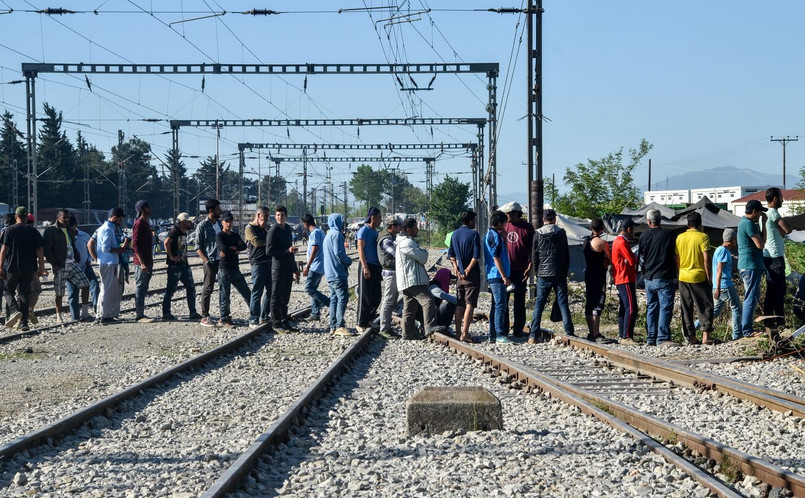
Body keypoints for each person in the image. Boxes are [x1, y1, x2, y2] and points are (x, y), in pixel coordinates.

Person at [528, 208, 574, 343]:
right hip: (559, 273)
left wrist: (537, 272)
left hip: (543, 273)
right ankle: (569, 332)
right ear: (554, 219)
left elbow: (534, 256)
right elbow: (566, 254)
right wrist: (564, 271)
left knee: (539, 304)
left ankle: (533, 335)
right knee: (563, 303)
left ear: (543, 219)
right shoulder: (561, 233)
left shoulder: (538, 233)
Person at [396, 217, 444, 340]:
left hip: (407, 281)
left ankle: (407, 333)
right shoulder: (407, 243)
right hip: (413, 280)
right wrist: (424, 252)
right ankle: (429, 326)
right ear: (408, 229)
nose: (417, 229)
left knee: (410, 308)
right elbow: (423, 258)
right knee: (428, 300)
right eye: (415, 227)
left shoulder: (403, 242)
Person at [0, 207, 46, 331]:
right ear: (26, 217)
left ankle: (14, 310)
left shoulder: (9, 230)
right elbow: (40, 251)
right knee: (24, 293)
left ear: (16, 216)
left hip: (13, 267)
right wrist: (42, 267)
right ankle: (24, 323)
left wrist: (0, 267)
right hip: (29, 268)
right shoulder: (33, 231)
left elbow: (4, 250)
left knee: (7, 290)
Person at [638, 209, 678, 346]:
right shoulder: (669, 234)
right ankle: (662, 337)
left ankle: (651, 338)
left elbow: (641, 256)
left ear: (648, 221)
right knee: (665, 307)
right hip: (664, 276)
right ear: (661, 220)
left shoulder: (643, 236)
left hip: (649, 277)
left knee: (651, 307)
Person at [43, 208, 89, 322]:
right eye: (64, 217)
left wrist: (77, 257)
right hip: (60, 265)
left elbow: (72, 244)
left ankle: (84, 312)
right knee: (60, 292)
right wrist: (54, 264)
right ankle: (59, 317)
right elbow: (47, 250)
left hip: (72, 263)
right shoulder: (51, 231)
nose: (67, 219)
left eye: (68, 217)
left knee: (85, 284)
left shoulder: (68, 229)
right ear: (58, 218)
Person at [676, 211, 713, 345]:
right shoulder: (703, 237)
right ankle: (705, 336)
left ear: (687, 224)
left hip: (683, 276)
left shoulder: (680, 237)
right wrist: (709, 278)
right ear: (700, 223)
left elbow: (677, 258)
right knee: (705, 306)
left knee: (686, 308)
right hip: (699, 276)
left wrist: (680, 271)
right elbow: (706, 260)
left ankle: (691, 337)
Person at [697, 228, 742, 340]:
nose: (736, 242)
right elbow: (719, 270)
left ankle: (693, 327)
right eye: (735, 239)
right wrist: (717, 287)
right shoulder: (723, 251)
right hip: (725, 285)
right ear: (731, 239)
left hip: (720, 285)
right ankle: (737, 335)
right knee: (737, 308)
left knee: (715, 312)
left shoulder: (719, 250)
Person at [500, 201, 534, 337]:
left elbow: (532, 248)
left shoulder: (527, 228)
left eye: (509, 213)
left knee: (519, 301)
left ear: (516, 213)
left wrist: (530, 266)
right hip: (506, 270)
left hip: (521, 270)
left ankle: (518, 329)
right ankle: (504, 329)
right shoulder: (503, 226)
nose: (507, 215)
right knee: (504, 301)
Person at [449, 210, 481, 343]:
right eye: (474, 220)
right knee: (470, 304)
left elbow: (451, 254)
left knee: (460, 303)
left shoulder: (454, 234)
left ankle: (457, 333)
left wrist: (456, 268)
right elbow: (476, 255)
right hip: (471, 274)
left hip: (459, 275)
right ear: (470, 221)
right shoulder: (474, 234)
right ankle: (465, 334)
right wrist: (468, 269)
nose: (475, 222)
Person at [267, 205, 300, 332]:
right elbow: (269, 251)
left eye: (282, 215)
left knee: (285, 297)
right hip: (278, 267)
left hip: (287, 267)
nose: (280, 217)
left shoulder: (287, 229)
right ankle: (276, 323)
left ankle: (284, 321)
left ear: (286, 216)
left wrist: (295, 268)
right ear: (275, 217)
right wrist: (287, 251)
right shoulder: (273, 230)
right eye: (278, 215)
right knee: (276, 296)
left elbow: (290, 250)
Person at [763, 187, 792, 335]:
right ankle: (781, 323)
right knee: (779, 291)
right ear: (775, 198)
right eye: (780, 196)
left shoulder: (765, 214)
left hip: (768, 256)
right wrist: (785, 227)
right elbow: (787, 230)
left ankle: (768, 322)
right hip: (775, 257)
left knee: (771, 290)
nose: (782, 199)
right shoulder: (774, 213)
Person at [737, 199, 767, 338]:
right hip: (751, 265)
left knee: (751, 296)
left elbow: (761, 241)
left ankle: (745, 328)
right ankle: (747, 330)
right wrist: (764, 225)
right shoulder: (749, 224)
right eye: (760, 213)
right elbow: (760, 245)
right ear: (754, 211)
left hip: (747, 265)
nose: (760, 215)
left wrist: (763, 225)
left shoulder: (743, 223)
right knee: (750, 297)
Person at [162, 213, 200, 321]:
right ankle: (166, 313)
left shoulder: (184, 232)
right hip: (175, 266)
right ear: (183, 222)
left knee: (191, 288)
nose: (191, 223)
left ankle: (193, 312)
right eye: (189, 221)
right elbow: (166, 242)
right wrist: (171, 257)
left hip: (184, 265)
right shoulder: (175, 231)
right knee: (170, 290)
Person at [216, 211, 251, 327]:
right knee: (225, 295)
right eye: (227, 221)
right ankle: (224, 318)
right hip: (224, 269)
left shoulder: (235, 235)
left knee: (246, 292)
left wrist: (233, 249)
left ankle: (256, 313)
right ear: (222, 223)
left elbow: (244, 245)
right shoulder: (220, 236)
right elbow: (223, 249)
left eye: (231, 221)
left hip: (235, 269)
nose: (229, 223)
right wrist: (234, 249)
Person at [95, 207, 129, 325]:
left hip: (105, 262)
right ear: (114, 218)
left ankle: (101, 314)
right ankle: (105, 315)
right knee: (108, 289)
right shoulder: (108, 229)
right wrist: (119, 249)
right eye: (119, 220)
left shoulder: (101, 228)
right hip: (109, 262)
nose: (120, 223)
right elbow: (105, 247)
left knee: (105, 288)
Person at [323, 213, 353, 336]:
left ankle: (333, 326)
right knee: (342, 298)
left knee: (334, 299)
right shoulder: (337, 235)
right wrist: (348, 261)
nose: (343, 223)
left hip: (329, 272)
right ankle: (340, 325)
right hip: (337, 272)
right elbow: (339, 253)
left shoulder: (328, 235)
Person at [485, 210, 512, 344]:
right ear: (500, 223)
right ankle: (500, 334)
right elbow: (496, 257)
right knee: (501, 305)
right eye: (505, 222)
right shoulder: (494, 236)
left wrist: (505, 239)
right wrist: (504, 275)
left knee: (496, 306)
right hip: (497, 275)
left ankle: (493, 334)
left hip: (494, 274)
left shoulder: (492, 234)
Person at [583, 218, 611, 342]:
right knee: (598, 303)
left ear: (591, 227)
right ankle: (596, 333)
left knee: (589, 303)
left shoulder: (585, 241)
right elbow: (610, 259)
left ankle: (591, 332)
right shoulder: (602, 243)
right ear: (602, 229)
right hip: (599, 274)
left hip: (588, 272)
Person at [196, 199, 222, 327]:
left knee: (223, 286)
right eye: (218, 209)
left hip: (221, 261)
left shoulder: (220, 224)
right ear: (211, 211)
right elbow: (197, 247)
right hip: (210, 262)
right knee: (208, 288)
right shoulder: (202, 226)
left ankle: (224, 315)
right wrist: (206, 260)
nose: (220, 211)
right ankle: (205, 315)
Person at [356, 207, 383, 333]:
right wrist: (365, 266)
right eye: (379, 217)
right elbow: (360, 249)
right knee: (365, 296)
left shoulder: (376, 232)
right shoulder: (364, 231)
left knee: (377, 296)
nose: (381, 220)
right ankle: (361, 322)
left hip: (376, 266)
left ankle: (369, 319)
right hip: (367, 265)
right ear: (373, 218)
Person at [612, 218, 638, 344]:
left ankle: (623, 334)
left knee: (624, 307)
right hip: (625, 277)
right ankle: (627, 336)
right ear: (628, 229)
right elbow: (632, 260)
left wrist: (630, 259)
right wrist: (631, 259)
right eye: (633, 229)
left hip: (621, 277)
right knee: (631, 307)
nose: (634, 232)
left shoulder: (617, 241)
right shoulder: (622, 242)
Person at [245, 206, 272, 326]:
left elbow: (273, 240)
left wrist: (267, 231)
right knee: (257, 291)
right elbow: (256, 242)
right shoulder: (249, 228)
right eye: (265, 216)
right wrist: (269, 241)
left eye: (268, 216)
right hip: (257, 263)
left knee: (271, 290)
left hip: (269, 262)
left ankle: (265, 315)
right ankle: (253, 317)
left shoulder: (267, 228)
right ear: (258, 216)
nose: (267, 219)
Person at [377, 214, 403, 339]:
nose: (401, 228)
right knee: (388, 300)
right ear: (393, 226)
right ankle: (384, 328)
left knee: (391, 300)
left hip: (392, 272)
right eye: (399, 226)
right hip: (390, 273)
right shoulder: (386, 240)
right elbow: (396, 254)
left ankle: (386, 327)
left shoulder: (389, 237)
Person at [302, 213, 330, 322]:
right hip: (320, 265)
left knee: (309, 288)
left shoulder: (315, 233)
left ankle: (329, 303)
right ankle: (315, 313)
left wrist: (307, 265)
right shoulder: (320, 232)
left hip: (315, 266)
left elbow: (314, 249)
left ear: (305, 223)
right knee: (313, 289)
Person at [70, 216, 99, 320]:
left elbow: (91, 248)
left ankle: (96, 310)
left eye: (71, 227)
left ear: (75, 226)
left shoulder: (84, 235)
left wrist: (89, 260)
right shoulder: (65, 237)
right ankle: (75, 316)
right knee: (73, 292)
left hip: (85, 265)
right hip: (72, 268)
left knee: (94, 285)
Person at [132, 200, 155, 323]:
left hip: (148, 260)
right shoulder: (139, 223)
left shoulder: (146, 223)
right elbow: (135, 244)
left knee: (144, 287)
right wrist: (141, 262)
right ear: (141, 209)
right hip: (141, 262)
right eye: (147, 207)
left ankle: (141, 313)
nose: (150, 208)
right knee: (140, 287)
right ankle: (139, 315)